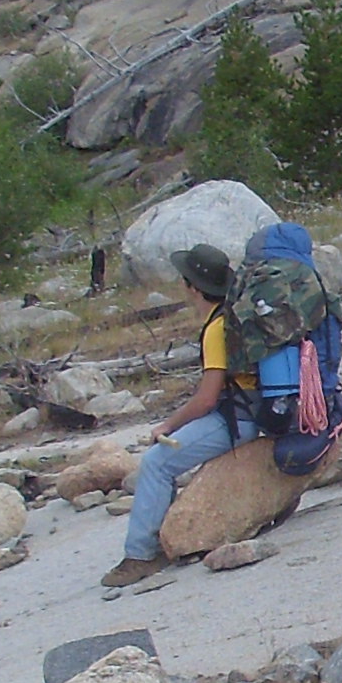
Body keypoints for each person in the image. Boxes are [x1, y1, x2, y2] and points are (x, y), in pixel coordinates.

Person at [105, 245, 258, 591]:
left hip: (242, 416)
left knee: (158, 462)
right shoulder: (231, 315)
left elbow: (206, 399)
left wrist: (168, 425)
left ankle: (141, 555)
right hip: (254, 408)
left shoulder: (216, 329)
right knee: (165, 459)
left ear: (193, 287)